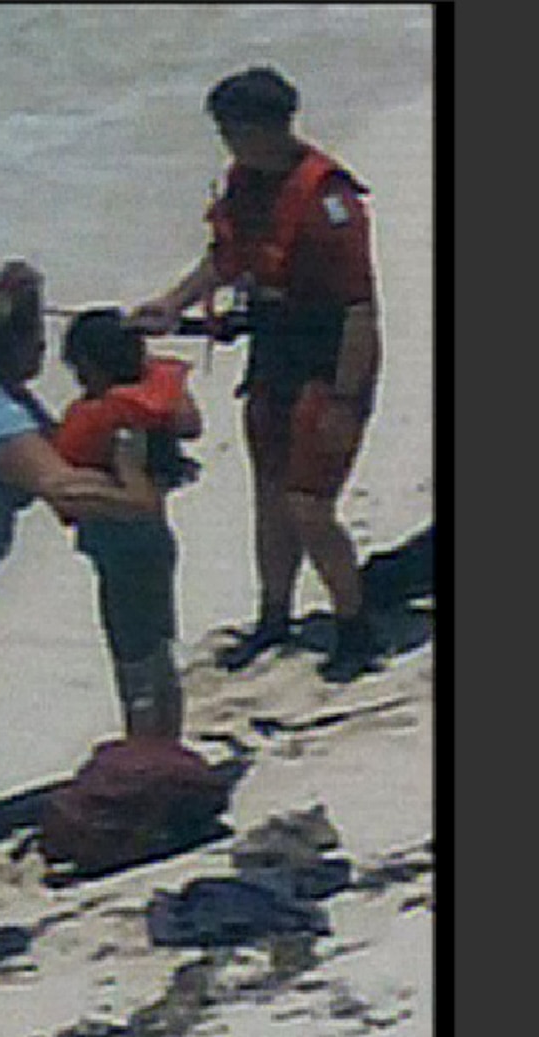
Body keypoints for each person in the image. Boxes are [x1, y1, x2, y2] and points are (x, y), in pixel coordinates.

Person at [127, 65, 384, 683]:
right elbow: (225, 260)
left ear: (263, 128)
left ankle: (355, 626)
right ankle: (274, 617)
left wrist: (347, 401)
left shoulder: (330, 203)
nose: (225, 142)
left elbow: (359, 310)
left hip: (329, 364)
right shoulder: (246, 185)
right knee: (270, 493)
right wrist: (172, 305)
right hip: (273, 356)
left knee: (308, 504)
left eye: (230, 130)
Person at [0, 261, 163, 808]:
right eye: (37, 341)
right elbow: (62, 487)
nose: (45, 354)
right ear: (15, 346)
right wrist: (134, 500)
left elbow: (60, 447)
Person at [52, 307, 205, 739]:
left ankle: (145, 750)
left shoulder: (119, 423)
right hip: (155, 545)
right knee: (158, 653)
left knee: (133, 659)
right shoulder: (146, 405)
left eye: (79, 367)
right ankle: (165, 745)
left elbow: (133, 487)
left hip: (126, 551)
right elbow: (187, 420)